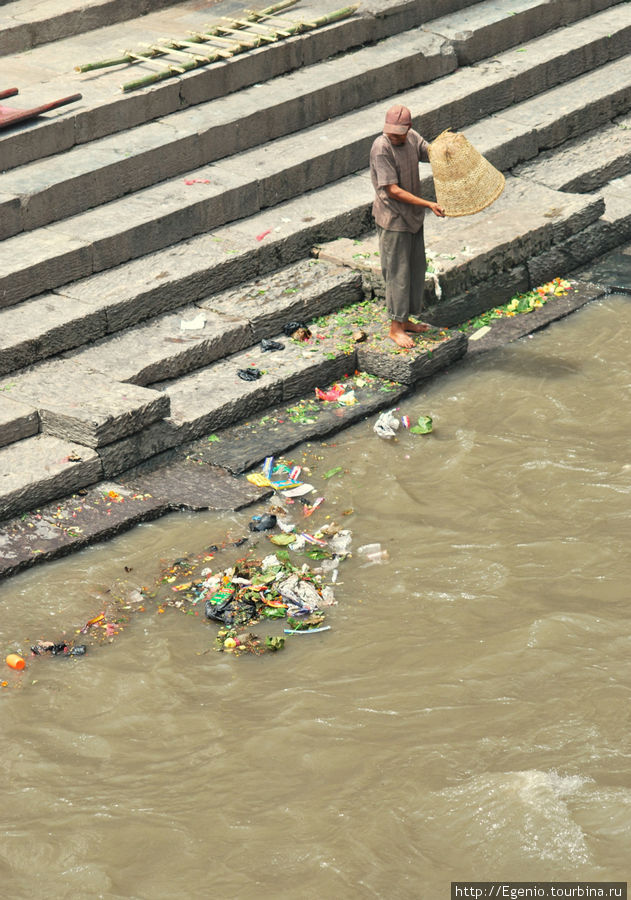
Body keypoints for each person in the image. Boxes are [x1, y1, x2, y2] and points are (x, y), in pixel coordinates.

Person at [369, 104, 445, 349]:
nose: (394, 136)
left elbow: (428, 152)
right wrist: (428, 204)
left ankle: (405, 320)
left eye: (398, 133)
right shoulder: (381, 147)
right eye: (390, 132)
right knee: (397, 273)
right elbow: (392, 190)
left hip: (413, 217)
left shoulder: (411, 138)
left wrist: (446, 150)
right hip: (393, 219)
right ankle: (395, 328)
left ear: (408, 129)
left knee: (415, 268)